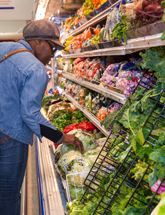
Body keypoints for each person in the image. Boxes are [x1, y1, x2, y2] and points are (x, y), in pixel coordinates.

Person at [0, 20, 84, 215]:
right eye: (52, 48)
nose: (53, 56)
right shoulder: (36, 69)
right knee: (7, 195)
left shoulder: (3, 47)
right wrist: (61, 137)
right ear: (38, 42)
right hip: (9, 139)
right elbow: (30, 115)